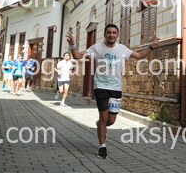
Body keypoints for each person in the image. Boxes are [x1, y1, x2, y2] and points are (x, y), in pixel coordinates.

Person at [67, 23, 159, 159]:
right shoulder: (97, 48)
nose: (111, 35)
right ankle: (102, 147)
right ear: (105, 34)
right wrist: (72, 45)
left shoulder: (122, 49)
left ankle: (100, 125)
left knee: (110, 120)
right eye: (109, 32)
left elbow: (139, 55)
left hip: (116, 88)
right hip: (101, 86)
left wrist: (151, 47)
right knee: (104, 117)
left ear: (117, 35)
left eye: (114, 33)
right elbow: (77, 56)